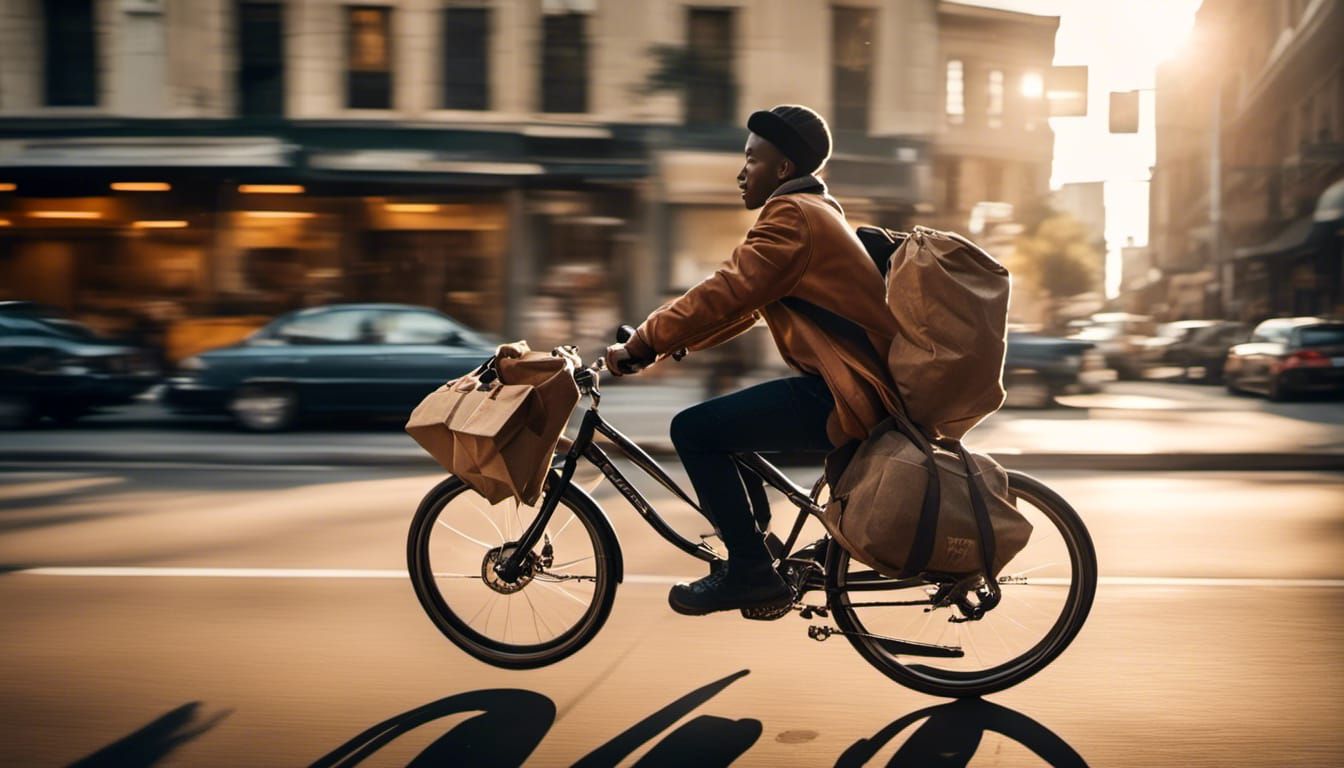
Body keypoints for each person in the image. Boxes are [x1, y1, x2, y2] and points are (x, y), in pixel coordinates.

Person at [602, 104, 905, 616]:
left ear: (783, 169)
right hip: (848, 386)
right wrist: (674, 344)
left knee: (694, 432)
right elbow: (748, 305)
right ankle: (757, 547)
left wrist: (642, 342)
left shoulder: (793, 219)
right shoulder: (816, 212)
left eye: (751, 160)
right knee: (725, 425)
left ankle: (749, 572)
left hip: (840, 393)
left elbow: (728, 290)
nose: (741, 173)